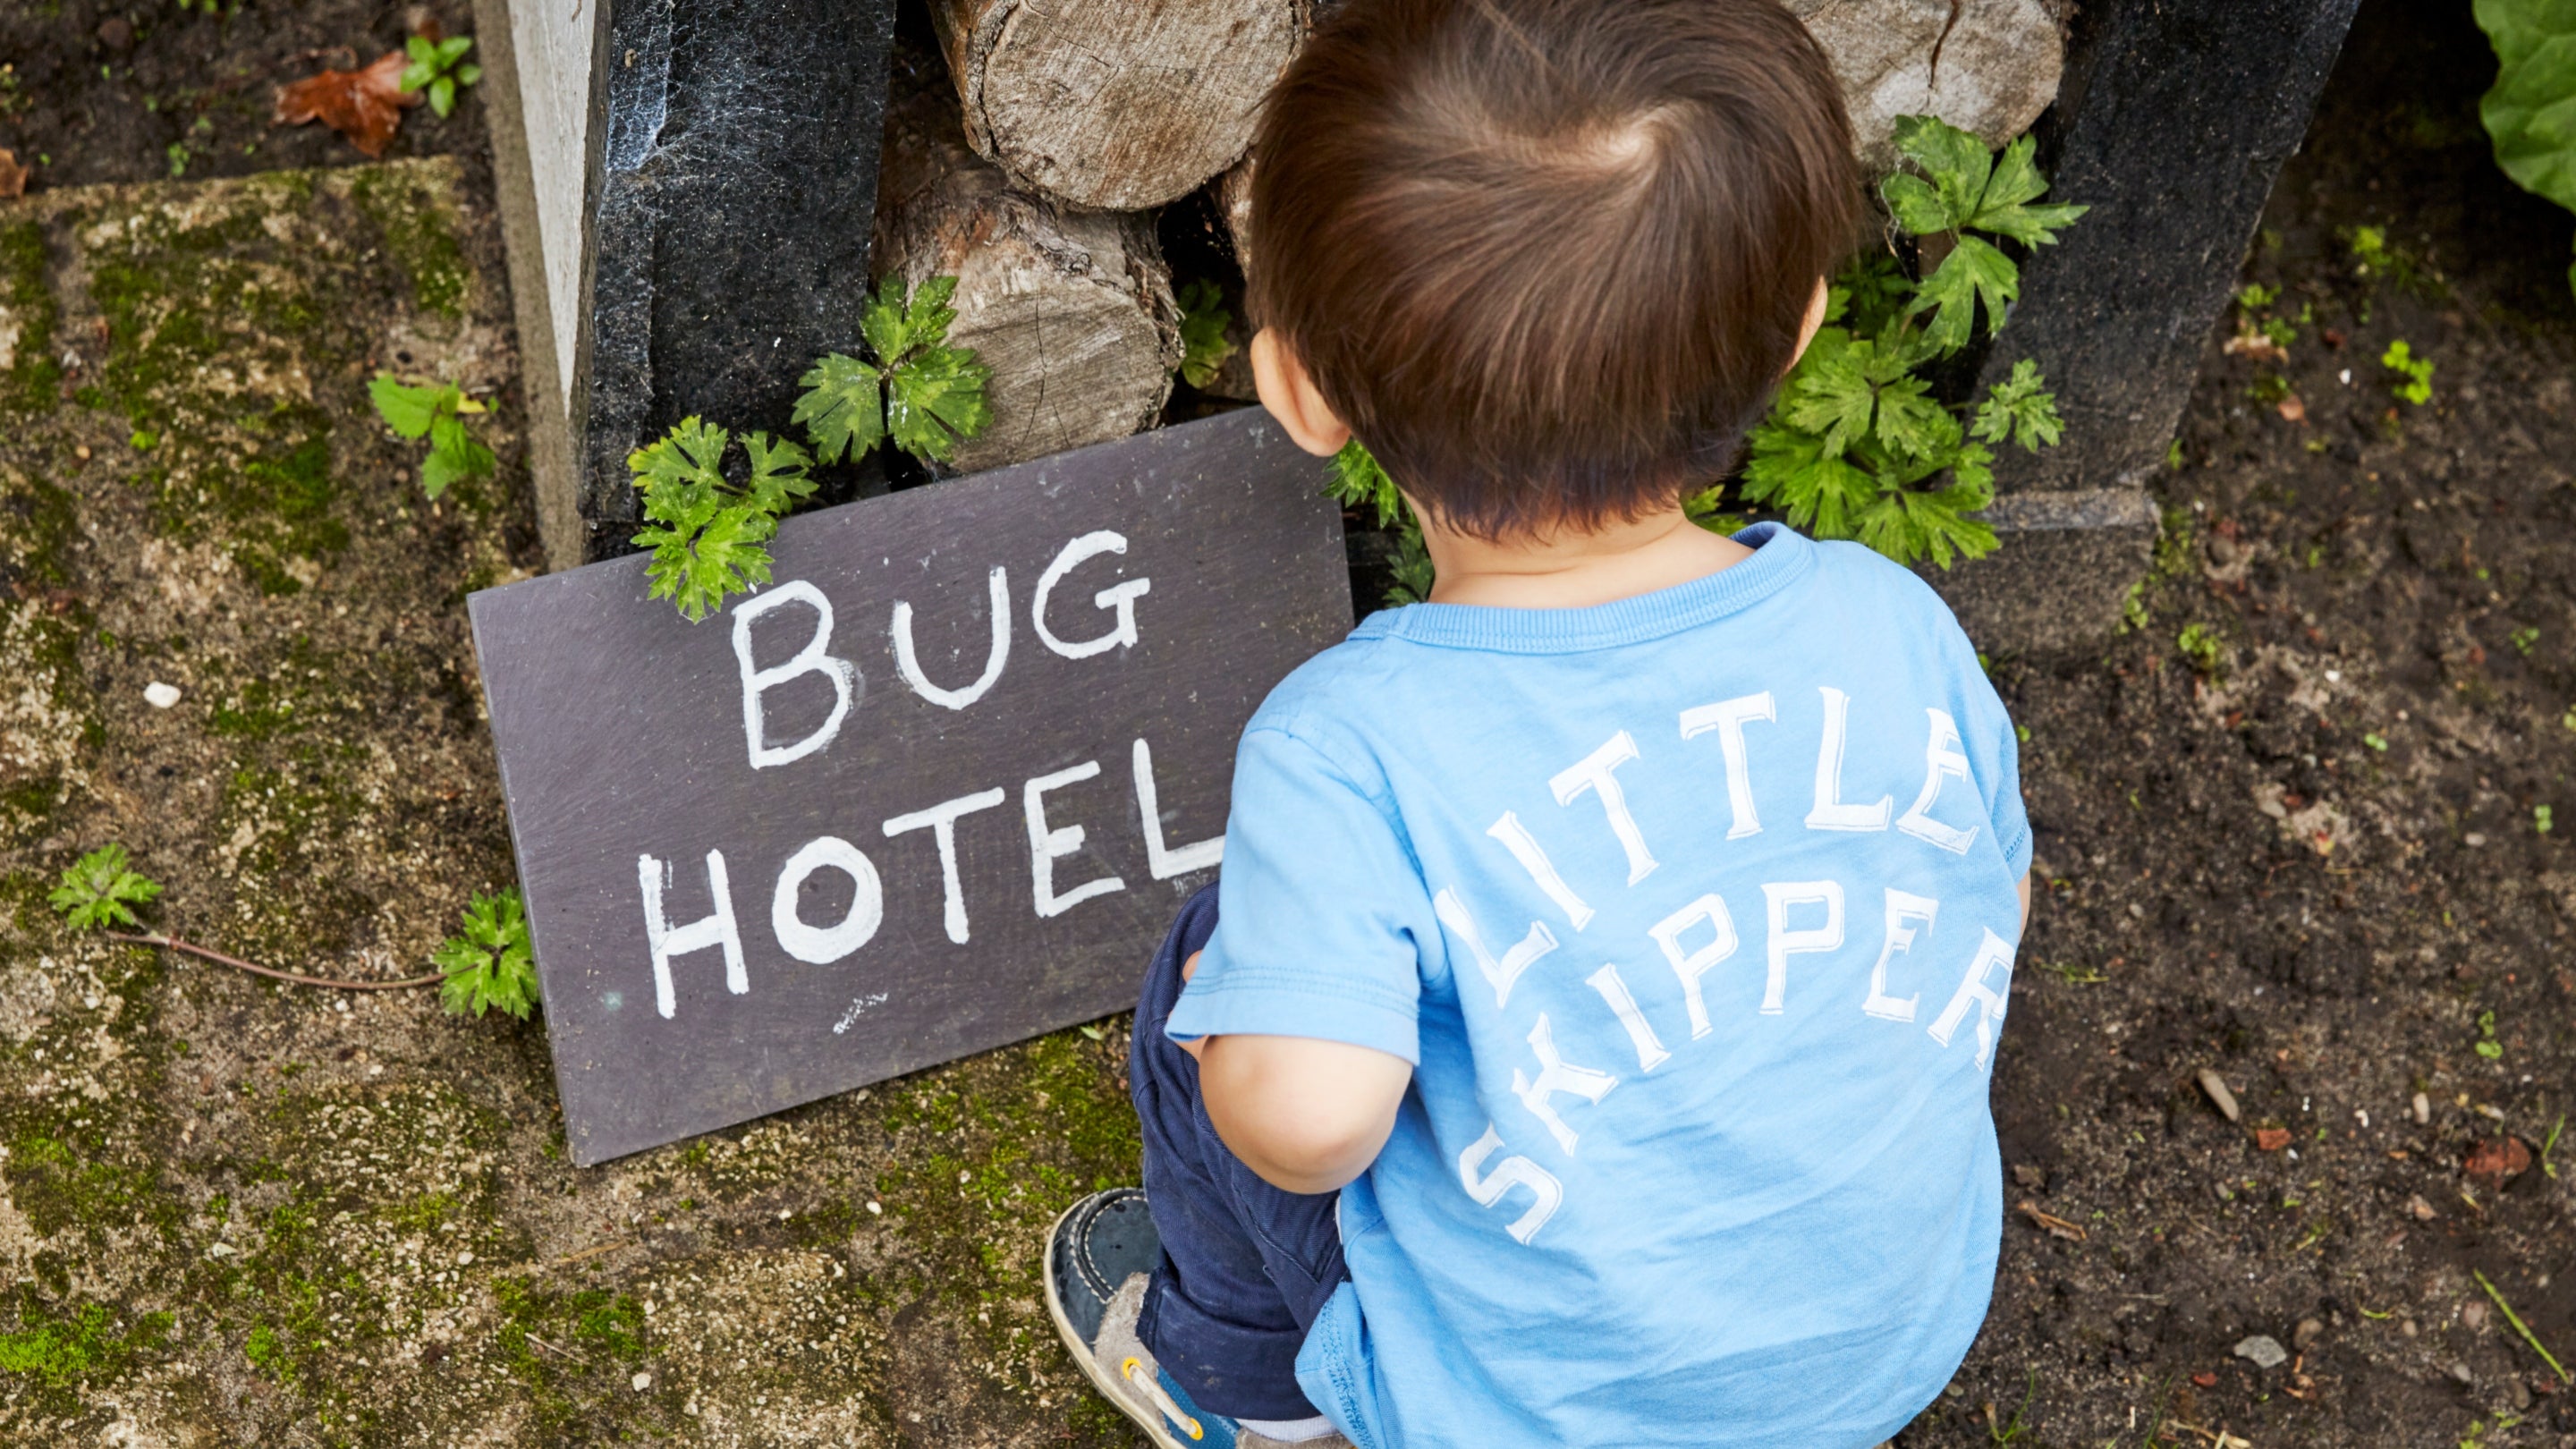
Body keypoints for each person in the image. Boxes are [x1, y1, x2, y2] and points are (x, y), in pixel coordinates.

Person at [1042, 1, 2033, 1444]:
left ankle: (1242, 1391)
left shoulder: (1350, 745)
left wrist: (1241, 1055)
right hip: (1880, 1343)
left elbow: (1313, 1131)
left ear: (1300, 391)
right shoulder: (1892, 623)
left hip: (1531, 1411)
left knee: (1207, 977)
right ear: (1801, 336)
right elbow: (1989, 893)